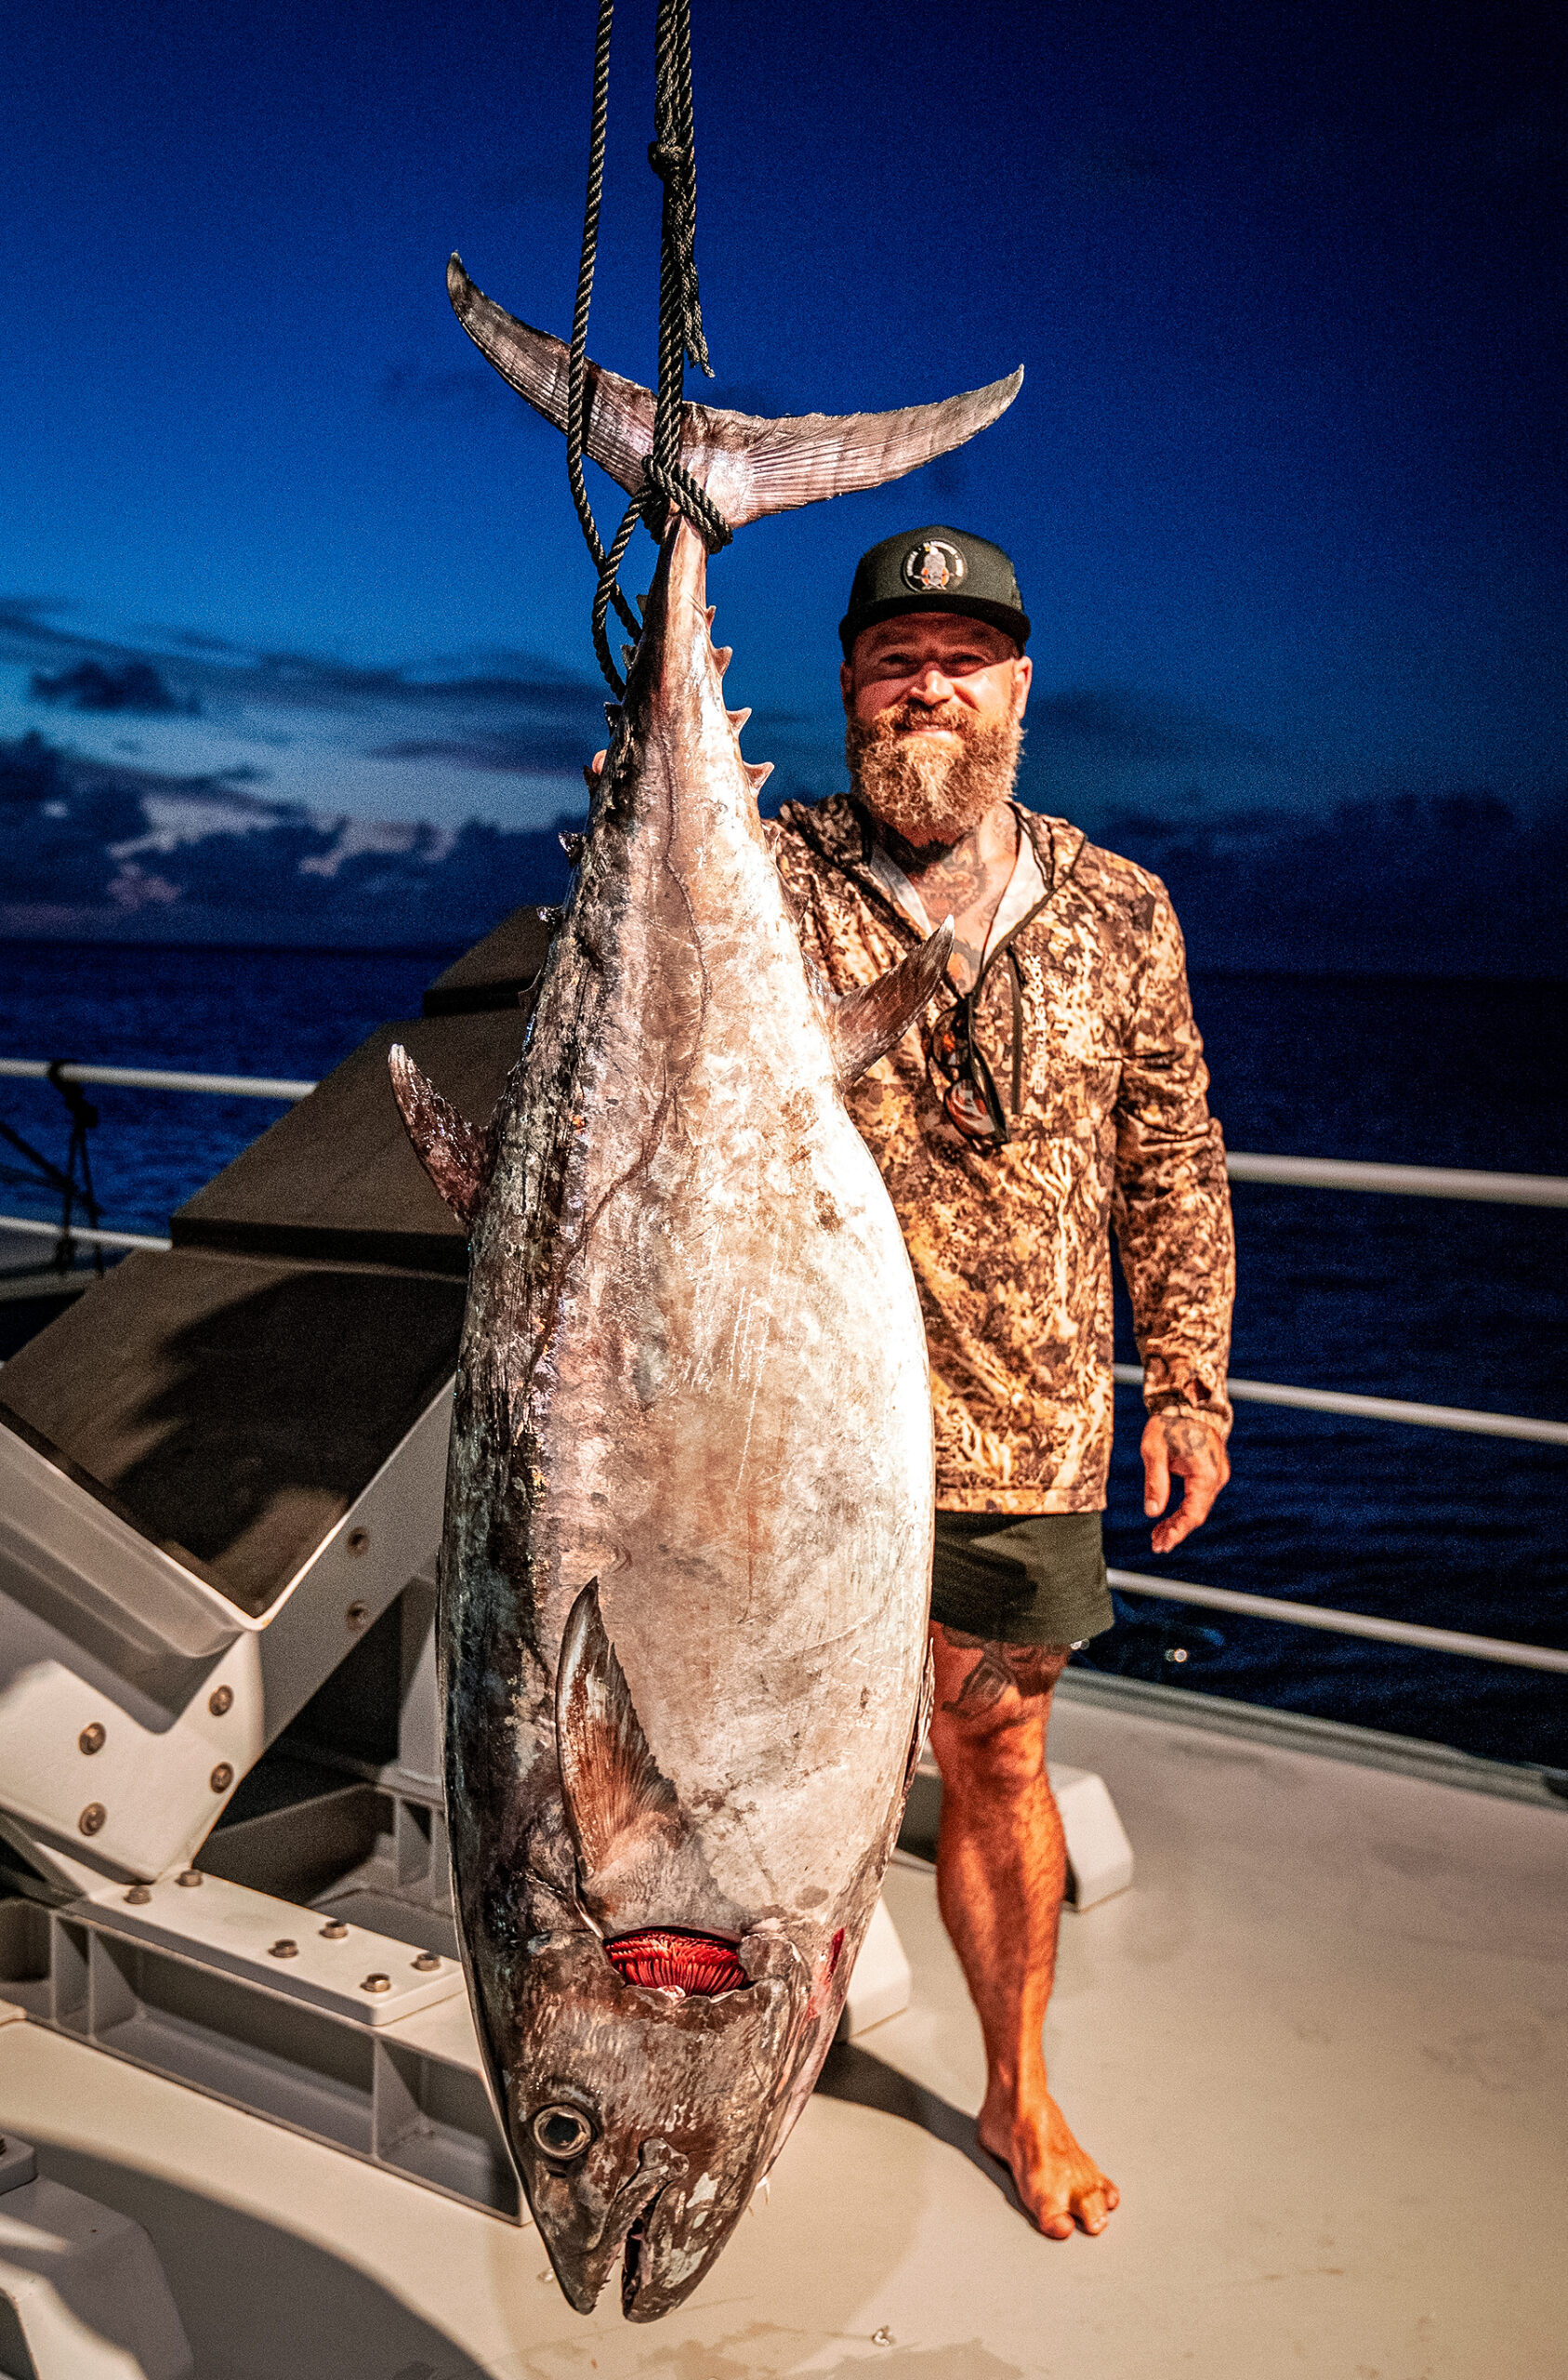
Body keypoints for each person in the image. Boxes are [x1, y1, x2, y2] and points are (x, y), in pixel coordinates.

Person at [764, 525, 1236, 2240]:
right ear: (848, 689)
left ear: (1020, 686)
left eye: (963, 656)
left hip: (1025, 1432)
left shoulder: (1119, 908)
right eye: (897, 660)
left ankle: (1016, 2086)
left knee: (999, 1759)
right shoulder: (765, 874)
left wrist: (1189, 1378)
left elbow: (1170, 1155)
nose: (929, 685)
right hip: (791, 1438)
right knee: (772, 1760)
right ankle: (747, 2067)